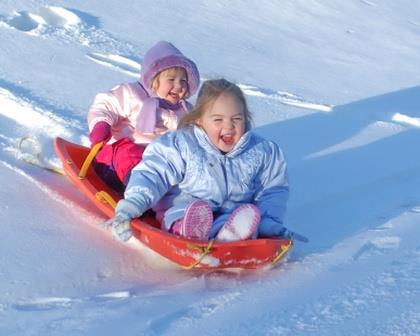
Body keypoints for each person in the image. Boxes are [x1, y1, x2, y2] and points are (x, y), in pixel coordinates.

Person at [103, 78, 290, 243]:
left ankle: (230, 235)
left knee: (237, 217)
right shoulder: (180, 145)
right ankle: (188, 232)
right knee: (188, 214)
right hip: (183, 210)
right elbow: (153, 173)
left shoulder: (262, 151)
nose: (229, 127)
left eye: (237, 119)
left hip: (230, 215)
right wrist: (133, 204)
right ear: (200, 120)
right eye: (218, 120)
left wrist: (268, 221)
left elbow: (273, 189)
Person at [87, 41, 200, 191]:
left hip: (160, 165)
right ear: (154, 80)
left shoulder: (185, 111)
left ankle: (178, 203)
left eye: (183, 81)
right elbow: (106, 105)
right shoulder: (133, 94)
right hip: (114, 163)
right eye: (171, 80)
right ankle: (139, 190)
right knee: (130, 153)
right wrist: (102, 124)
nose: (179, 86)